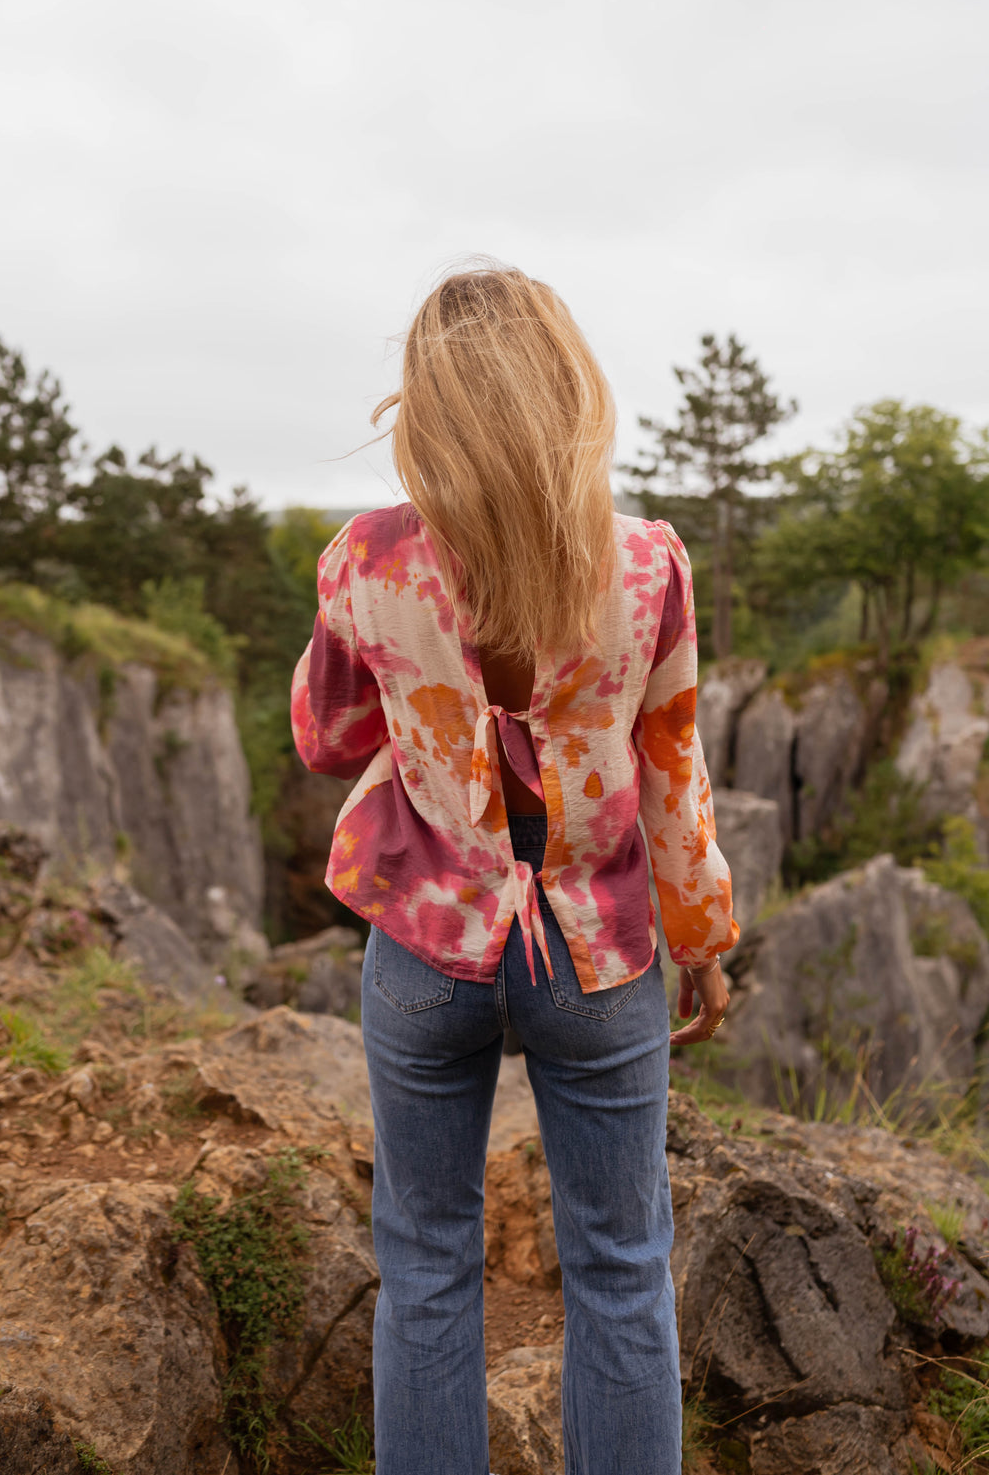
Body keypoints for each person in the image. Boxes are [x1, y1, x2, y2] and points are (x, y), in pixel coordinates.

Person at [291, 264, 738, 1475]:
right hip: (596, 954)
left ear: (427, 406)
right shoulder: (644, 562)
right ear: (565, 392)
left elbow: (326, 739)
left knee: (428, 1265)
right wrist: (700, 940)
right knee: (620, 1268)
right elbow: (670, 769)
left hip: (429, 950)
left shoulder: (366, 560)